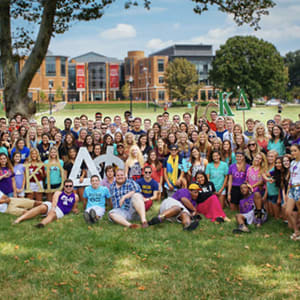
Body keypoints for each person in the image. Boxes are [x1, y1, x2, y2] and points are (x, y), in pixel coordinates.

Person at [14, 179, 79, 228]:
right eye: (67, 186)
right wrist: (53, 208)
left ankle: (41, 224)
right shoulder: (58, 193)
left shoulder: (75, 197)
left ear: (72, 186)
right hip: (53, 205)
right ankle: (19, 219)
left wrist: (75, 211)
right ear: (64, 187)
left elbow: (74, 208)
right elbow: (54, 201)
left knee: (52, 214)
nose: (68, 187)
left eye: (70, 186)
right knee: (42, 207)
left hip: (61, 211)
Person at [286, 144, 300, 241]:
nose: (293, 153)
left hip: (299, 188)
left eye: (295, 150)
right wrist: (288, 190)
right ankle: (296, 231)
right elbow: (291, 177)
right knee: (288, 211)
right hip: (292, 188)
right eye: (291, 151)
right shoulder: (292, 163)